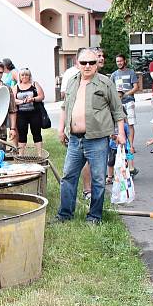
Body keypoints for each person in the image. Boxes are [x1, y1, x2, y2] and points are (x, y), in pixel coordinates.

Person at [56, 48, 126, 224]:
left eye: (91, 62)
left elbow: (117, 110)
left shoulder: (105, 83)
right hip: (74, 139)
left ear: (97, 64)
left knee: (98, 179)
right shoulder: (72, 81)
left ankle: (94, 216)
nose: (87, 66)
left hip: (97, 139)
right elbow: (65, 106)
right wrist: (60, 129)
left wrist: (121, 133)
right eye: (83, 62)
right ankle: (65, 215)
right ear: (77, 63)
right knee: (68, 177)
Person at [12, 68, 45, 157]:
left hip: (34, 113)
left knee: (37, 133)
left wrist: (33, 99)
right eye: (22, 75)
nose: (24, 76)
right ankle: (21, 155)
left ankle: (39, 155)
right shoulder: (16, 87)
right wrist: (22, 101)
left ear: (29, 76)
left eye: (26, 74)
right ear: (20, 76)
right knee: (22, 135)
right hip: (21, 114)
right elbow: (12, 100)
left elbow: (41, 96)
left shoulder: (34, 84)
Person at [110, 54, 140, 150]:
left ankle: (131, 146)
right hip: (118, 103)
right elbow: (111, 89)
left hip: (129, 101)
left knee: (130, 123)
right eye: (117, 61)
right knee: (119, 123)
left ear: (125, 61)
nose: (119, 63)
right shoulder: (114, 75)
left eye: (121, 61)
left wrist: (126, 94)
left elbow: (136, 87)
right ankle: (120, 145)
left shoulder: (131, 72)